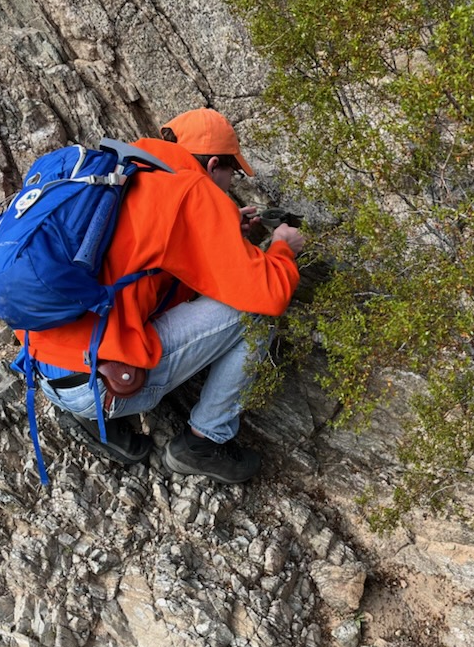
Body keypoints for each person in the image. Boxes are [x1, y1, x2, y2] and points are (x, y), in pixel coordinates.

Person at [20, 107, 305, 483]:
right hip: (97, 385)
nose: (230, 185)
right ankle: (204, 441)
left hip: (43, 365)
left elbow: (152, 271)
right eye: (231, 174)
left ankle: (85, 412)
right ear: (213, 164)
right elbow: (267, 294)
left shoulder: (120, 170)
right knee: (257, 314)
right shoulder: (193, 192)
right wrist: (283, 249)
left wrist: (225, 236)